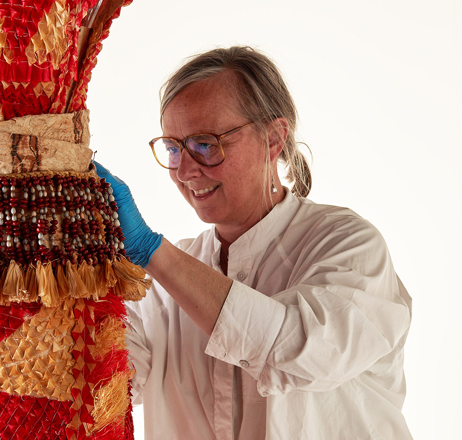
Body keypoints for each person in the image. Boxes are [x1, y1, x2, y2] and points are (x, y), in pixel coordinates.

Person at [94, 46, 413, 440]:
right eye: (174, 148)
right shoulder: (158, 289)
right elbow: (104, 387)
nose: (186, 170)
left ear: (274, 138)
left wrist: (151, 251)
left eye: (206, 144)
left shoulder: (349, 246)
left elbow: (301, 352)